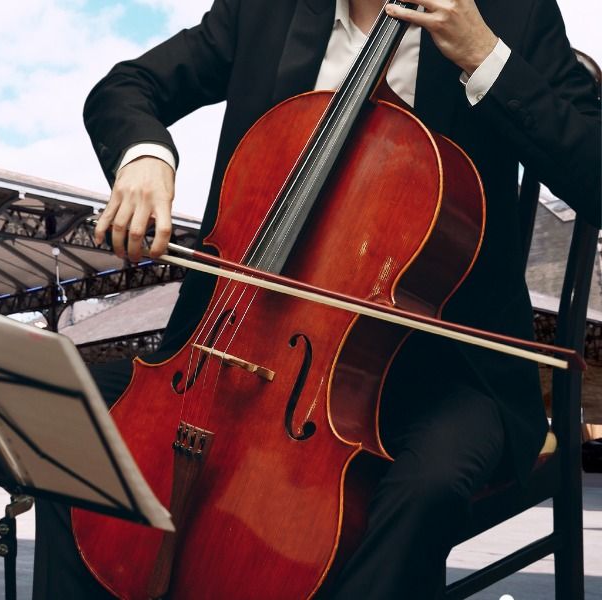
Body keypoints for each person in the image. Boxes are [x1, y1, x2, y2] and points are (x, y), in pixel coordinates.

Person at [33, 0, 600, 598]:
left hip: (444, 369)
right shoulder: (263, 12)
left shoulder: (512, 13)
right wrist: (144, 155)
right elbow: (126, 86)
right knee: (65, 410)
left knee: (425, 490)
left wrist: (485, 58)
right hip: (238, 346)